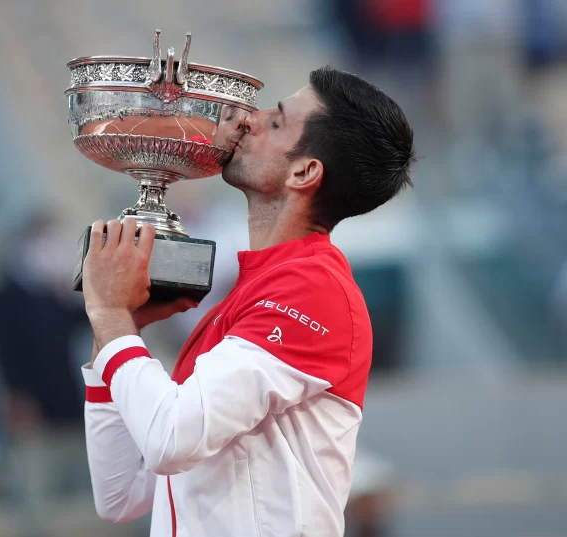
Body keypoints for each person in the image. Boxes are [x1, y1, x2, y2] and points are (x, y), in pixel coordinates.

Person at [79, 66, 415, 537]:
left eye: (276, 121)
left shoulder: (313, 291)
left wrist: (110, 314)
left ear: (304, 171)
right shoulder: (251, 295)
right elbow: (121, 495)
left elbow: (170, 438)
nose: (250, 121)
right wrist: (115, 332)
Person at [0, 212, 93, 537]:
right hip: (31, 404)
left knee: (84, 485)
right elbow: (4, 353)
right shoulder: (5, 295)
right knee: (37, 485)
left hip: (69, 402)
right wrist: (16, 397)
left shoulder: (54, 295)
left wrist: (69, 290)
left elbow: (89, 321)